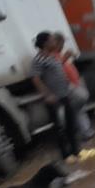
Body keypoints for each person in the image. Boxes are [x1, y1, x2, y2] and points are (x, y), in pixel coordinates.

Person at [31, 32, 81, 161]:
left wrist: (65, 58)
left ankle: (76, 151)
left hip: (64, 94)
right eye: (52, 40)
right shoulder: (38, 59)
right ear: (45, 43)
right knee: (60, 127)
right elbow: (35, 78)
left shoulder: (52, 57)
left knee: (71, 122)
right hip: (54, 98)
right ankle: (66, 155)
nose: (55, 42)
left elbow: (57, 67)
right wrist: (47, 94)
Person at [52, 32, 95, 140]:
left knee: (79, 109)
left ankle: (86, 132)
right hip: (67, 88)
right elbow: (54, 70)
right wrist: (64, 59)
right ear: (55, 43)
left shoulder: (59, 55)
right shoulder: (52, 57)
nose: (62, 45)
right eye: (61, 43)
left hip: (74, 85)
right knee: (76, 106)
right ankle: (79, 131)